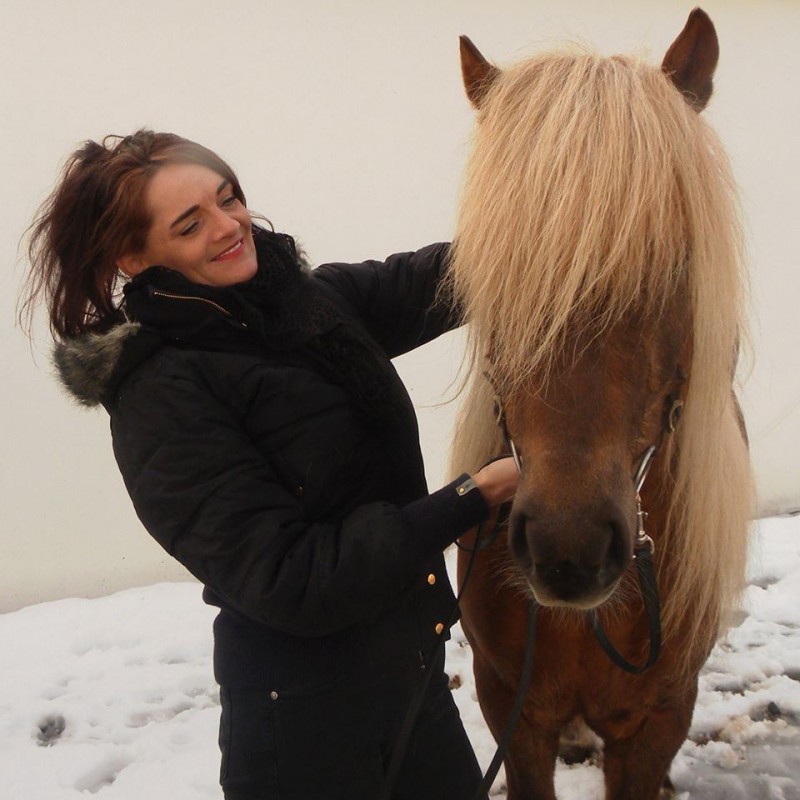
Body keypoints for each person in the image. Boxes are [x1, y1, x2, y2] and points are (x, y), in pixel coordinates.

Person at [23, 130, 518, 800]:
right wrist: (471, 496)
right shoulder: (161, 395)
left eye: (229, 199)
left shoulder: (310, 306)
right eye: (190, 224)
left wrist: (569, 210)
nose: (230, 226)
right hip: (305, 729)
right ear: (135, 258)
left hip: (413, 681)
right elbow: (292, 580)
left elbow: (456, 275)